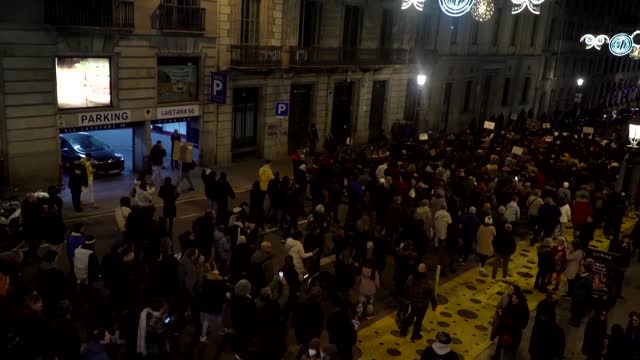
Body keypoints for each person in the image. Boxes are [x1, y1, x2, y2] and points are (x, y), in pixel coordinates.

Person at [400, 263, 437, 340]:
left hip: (414, 302)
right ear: (425, 270)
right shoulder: (428, 282)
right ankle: (415, 334)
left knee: (411, 315)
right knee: (419, 319)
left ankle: (404, 330)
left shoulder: (411, 278)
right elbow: (432, 295)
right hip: (423, 304)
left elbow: (406, 288)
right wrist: (434, 304)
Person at [256, 276, 289, 360]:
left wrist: (275, 281)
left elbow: (267, 290)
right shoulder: (274, 306)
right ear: (269, 296)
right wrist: (285, 285)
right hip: (274, 332)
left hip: (262, 332)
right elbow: (284, 297)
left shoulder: (257, 303)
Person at [491, 287, 529, 360]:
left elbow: (522, 323)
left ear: (520, 300)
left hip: (513, 334)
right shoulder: (510, 305)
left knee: (509, 351)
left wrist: (510, 321)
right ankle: (497, 355)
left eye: (516, 299)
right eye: (513, 298)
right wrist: (500, 314)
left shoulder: (523, 310)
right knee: (500, 345)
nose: (513, 300)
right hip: (505, 331)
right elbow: (505, 316)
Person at [528, 292, 565, 360]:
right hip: (543, 332)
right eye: (555, 299)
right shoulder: (546, 306)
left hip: (540, 331)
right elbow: (546, 320)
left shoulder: (546, 304)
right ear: (550, 299)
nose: (557, 300)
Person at [199, 264, 226, 342]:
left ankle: (203, 337)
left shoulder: (205, 280)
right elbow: (222, 293)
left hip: (208, 303)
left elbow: (203, 292)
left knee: (206, 320)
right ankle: (221, 331)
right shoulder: (220, 280)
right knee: (219, 317)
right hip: (217, 303)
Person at [231, 279, 256, 360]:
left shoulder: (234, 297)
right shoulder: (249, 302)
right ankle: (241, 355)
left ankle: (239, 352)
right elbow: (252, 315)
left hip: (237, 323)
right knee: (244, 341)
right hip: (246, 325)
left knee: (239, 338)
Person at [570, 259, 594, 327]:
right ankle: (573, 320)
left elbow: (588, 290)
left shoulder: (588, 278)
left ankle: (576, 323)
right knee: (575, 310)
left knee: (578, 311)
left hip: (580, 298)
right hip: (577, 296)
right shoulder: (585, 275)